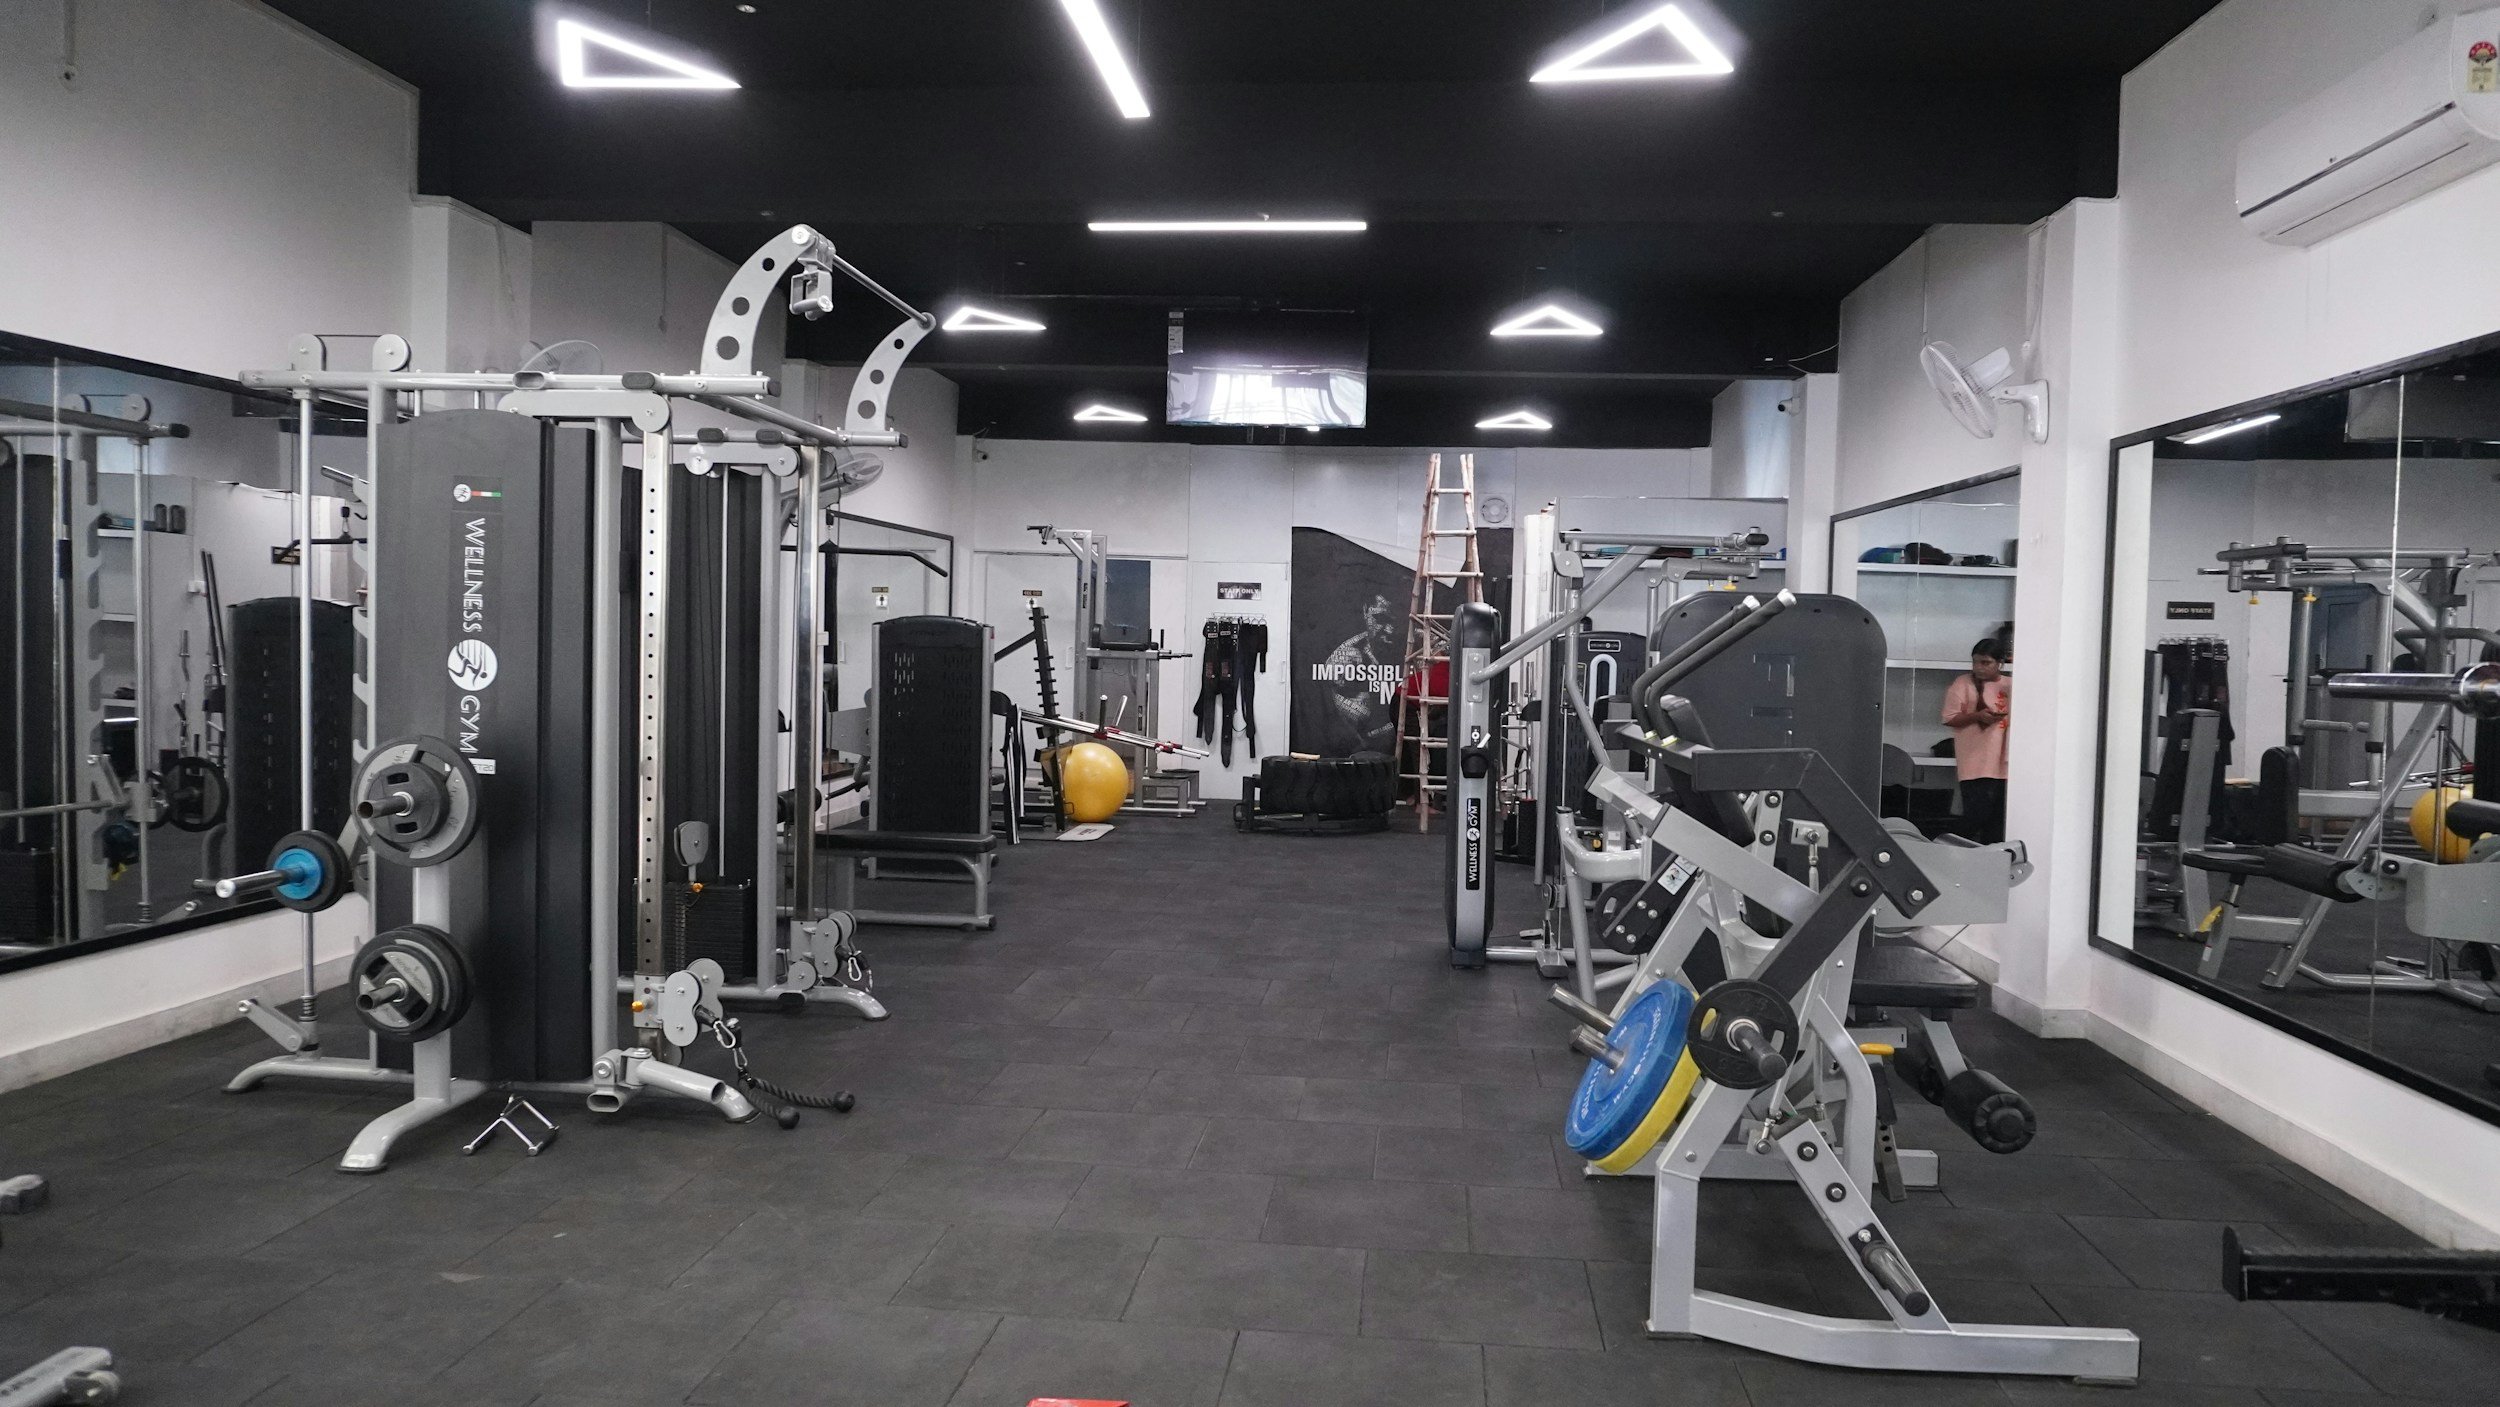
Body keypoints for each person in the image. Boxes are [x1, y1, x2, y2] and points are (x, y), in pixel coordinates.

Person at [1941, 638, 2010, 842]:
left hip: (2004, 762)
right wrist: (1976, 716)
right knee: (1976, 815)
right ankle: (1946, 846)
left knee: (1998, 821)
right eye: (1975, 662)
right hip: (1974, 761)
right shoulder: (1963, 683)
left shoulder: (2011, 685)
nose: (1979, 668)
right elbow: (1949, 718)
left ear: (2000, 663)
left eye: (1985, 663)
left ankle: (1990, 861)